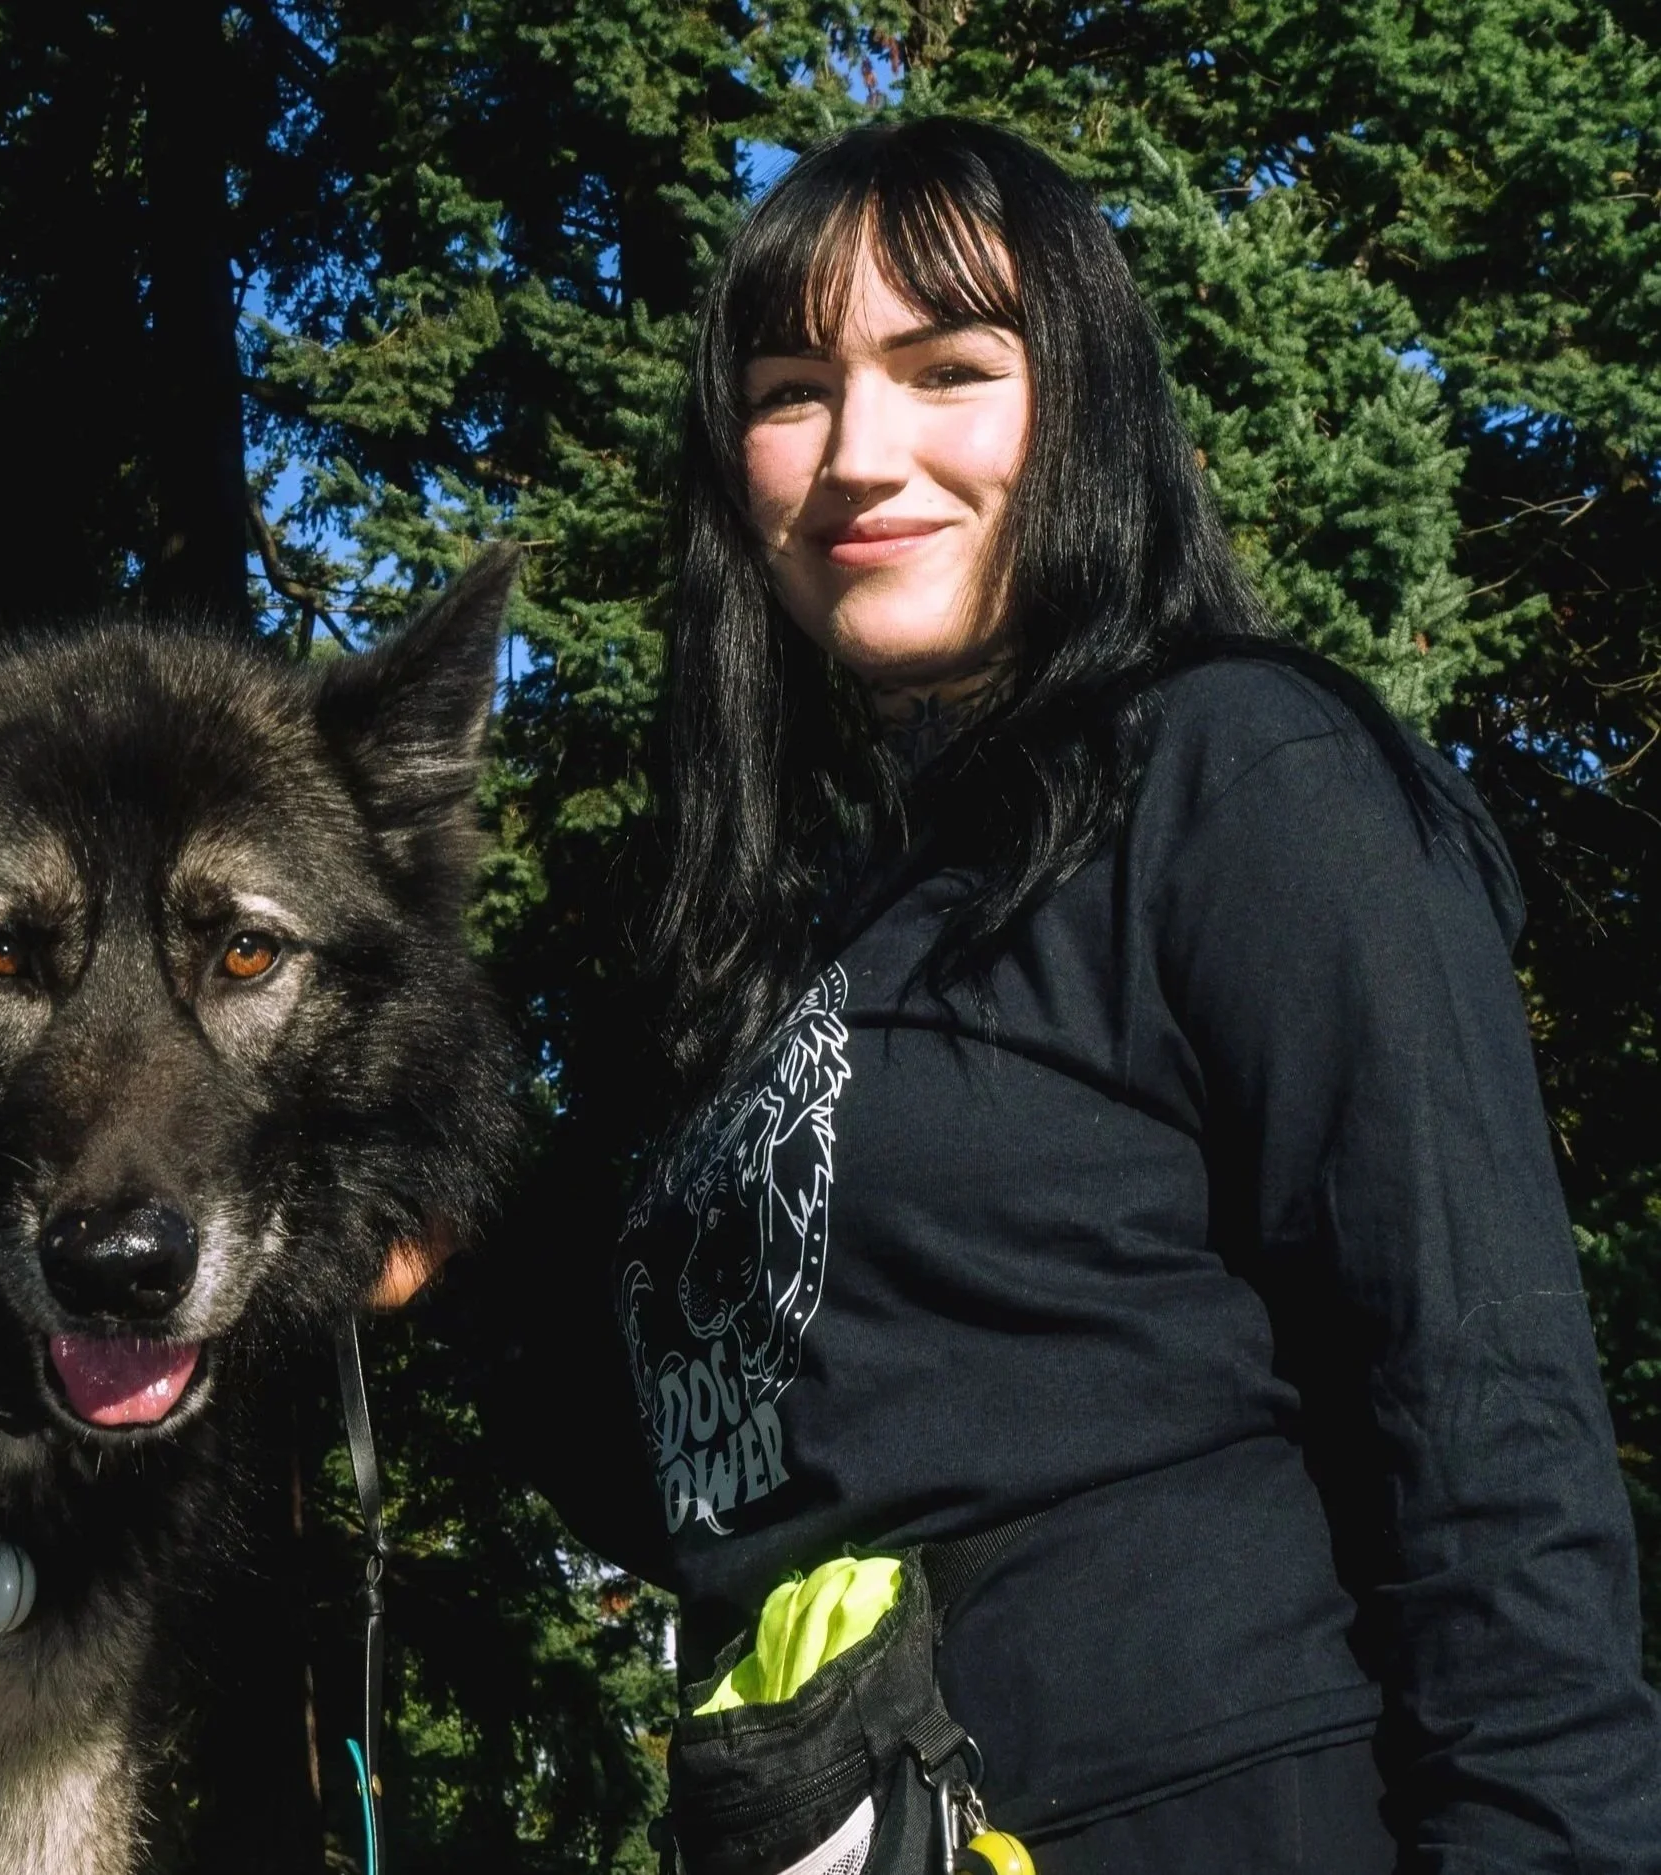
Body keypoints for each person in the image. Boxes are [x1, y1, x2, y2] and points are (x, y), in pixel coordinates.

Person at [445, 116, 1661, 1870]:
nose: (863, 452)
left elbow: (1482, 1409)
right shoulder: (769, 937)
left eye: (949, 371)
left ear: (1078, 404)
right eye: (792, 391)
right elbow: (707, 1481)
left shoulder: (1240, 775)